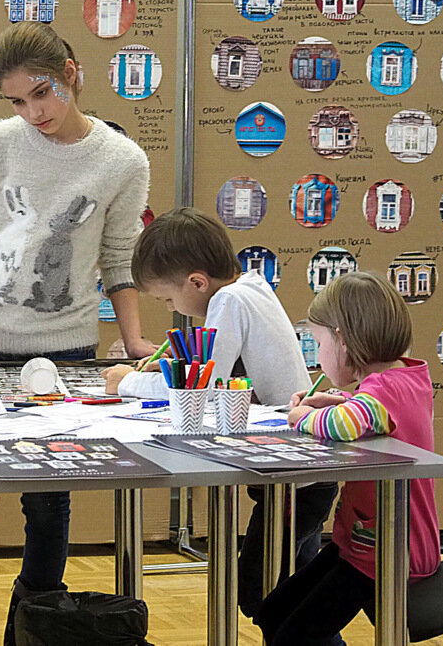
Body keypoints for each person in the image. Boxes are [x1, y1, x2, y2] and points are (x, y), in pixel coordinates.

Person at [0, 21, 157, 646]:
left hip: (68, 350)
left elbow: (119, 258)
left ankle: (37, 631)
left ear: (73, 72)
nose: (33, 112)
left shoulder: (122, 160)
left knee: (49, 504)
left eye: (42, 94)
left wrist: (133, 340)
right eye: (18, 101)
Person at [100, 207, 340, 634]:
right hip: (300, 471)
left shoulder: (227, 300)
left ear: (197, 282)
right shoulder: (250, 286)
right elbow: (220, 371)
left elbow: (203, 391)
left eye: (169, 300)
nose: (173, 309)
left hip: (294, 478)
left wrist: (127, 384)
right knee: (297, 597)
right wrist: (173, 366)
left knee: (262, 594)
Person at [254, 271, 440, 645]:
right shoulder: (405, 377)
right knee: (273, 613)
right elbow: (364, 413)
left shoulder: (384, 389)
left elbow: (342, 424)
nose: (318, 358)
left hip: (385, 552)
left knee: (293, 635)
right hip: (361, 543)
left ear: (341, 340)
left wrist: (301, 416)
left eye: (318, 344)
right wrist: (342, 401)